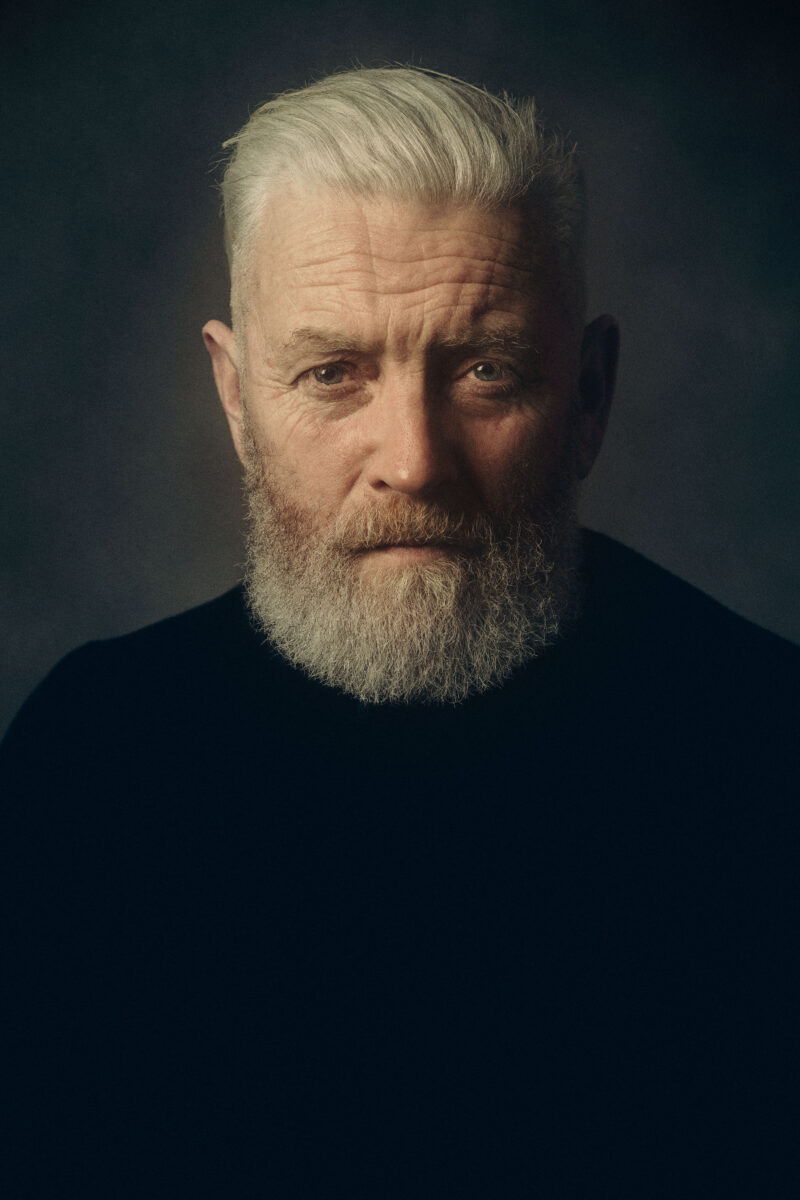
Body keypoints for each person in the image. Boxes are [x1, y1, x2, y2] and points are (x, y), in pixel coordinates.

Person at [2, 67, 798, 1196]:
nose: (413, 461)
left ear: (587, 396)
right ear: (236, 400)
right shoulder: (85, 763)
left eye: (484, 371)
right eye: (331, 374)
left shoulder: (768, 753)